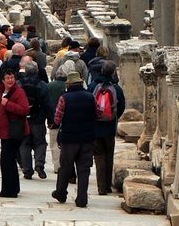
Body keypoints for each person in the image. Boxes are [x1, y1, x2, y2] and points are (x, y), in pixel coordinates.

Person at [51, 70, 95, 208]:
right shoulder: (90, 97)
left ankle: (61, 193)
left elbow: (57, 118)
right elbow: (98, 113)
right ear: (81, 82)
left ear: (68, 84)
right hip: (87, 138)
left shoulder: (65, 98)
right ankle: (82, 198)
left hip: (69, 138)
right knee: (84, 169)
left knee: (65, 167)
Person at [91, 60, 126, 195]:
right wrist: (114, 116)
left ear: (101, 71)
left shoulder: (93, 86)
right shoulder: (117, 89)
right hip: (110, 127)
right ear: (113, 73)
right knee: (108, 155)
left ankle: (101, 187)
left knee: (99, 156)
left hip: (96, 126)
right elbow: (121, 107)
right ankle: (107, 186)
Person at [0, 69, 30, 198]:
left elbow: (25, 109)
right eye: (7, 78)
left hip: (14, 131)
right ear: (3, 80)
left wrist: (8, 104)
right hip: (5, 131)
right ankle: (12, 188)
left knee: (7, 160)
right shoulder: (0, 91)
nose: (10, 80)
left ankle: (9, 190)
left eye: (12, 78)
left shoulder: (18, 92)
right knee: (8, 160)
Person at [18, 60, 52, 180]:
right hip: (38, 119)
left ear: (25, 71)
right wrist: (50, 120)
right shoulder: (42, 85)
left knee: (24, 144)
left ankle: (27, 170)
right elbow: (48, 104)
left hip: (23, 119)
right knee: (40, 143)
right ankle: (39, 164)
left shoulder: (19, 84)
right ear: (37, 71)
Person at [47, 60, 75, 173]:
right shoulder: (69, 86)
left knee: (54, 143)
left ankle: (57, 166)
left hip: (53, 119)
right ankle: (67, 165)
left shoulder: (50, 86)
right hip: (69, 120)